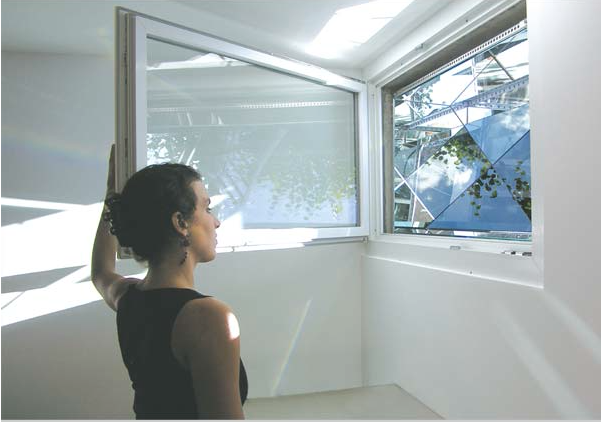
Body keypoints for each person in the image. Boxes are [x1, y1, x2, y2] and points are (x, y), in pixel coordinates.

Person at [91, 145, 247, 419]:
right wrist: (113, 199)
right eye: (207, 208)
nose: (217, 222)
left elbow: (101, 272)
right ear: (180, 222)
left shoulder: (128, 297)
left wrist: (111, 199)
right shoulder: (209, 317)